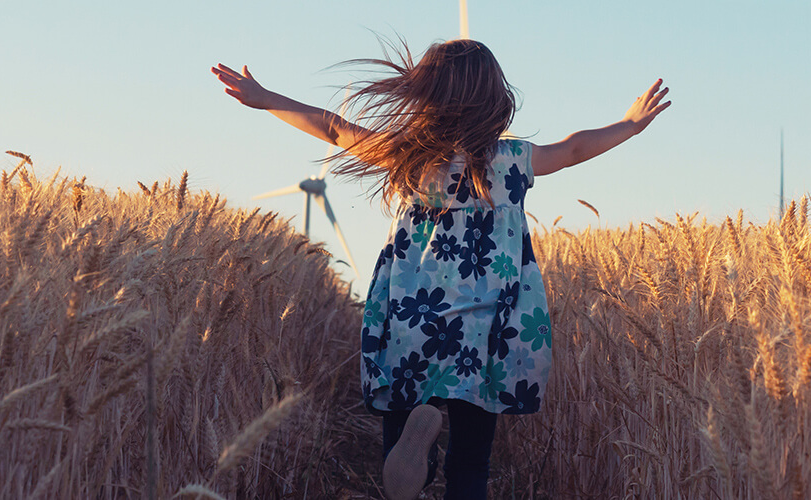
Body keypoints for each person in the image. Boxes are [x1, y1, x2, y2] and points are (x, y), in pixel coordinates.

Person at [213, 38, 669, 500]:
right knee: (471, 463)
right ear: (495, 96)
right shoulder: (513, 160)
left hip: (415, 317)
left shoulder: (409, 155)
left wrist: (267, 99)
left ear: (424, 94)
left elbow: (335, 129)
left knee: (406, 415)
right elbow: (573, 149)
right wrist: (629, 125)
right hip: (487, 328)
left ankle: (411, 456)